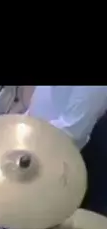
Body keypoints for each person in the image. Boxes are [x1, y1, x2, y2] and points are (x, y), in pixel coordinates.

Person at [26, 86, 107, 215]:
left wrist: (27, 134)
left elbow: (72, 132)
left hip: (61, 158)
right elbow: (42, 101)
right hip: (36, 140)